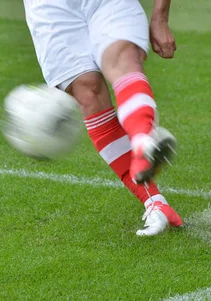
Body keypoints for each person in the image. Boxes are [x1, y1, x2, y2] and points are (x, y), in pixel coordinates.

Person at [23, 0, 182, 236]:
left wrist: (160, 16)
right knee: (88, 93)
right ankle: (154, 201)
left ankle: (142, 142)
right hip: (49, 6)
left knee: (122, 59)